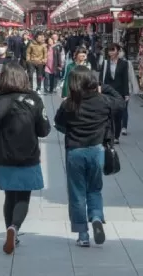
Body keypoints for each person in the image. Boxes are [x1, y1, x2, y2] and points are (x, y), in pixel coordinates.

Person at [0, 63, 51, 255]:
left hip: (3, 156)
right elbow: (44, 130)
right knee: (23, 196)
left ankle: (11, 231)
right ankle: (14, 228)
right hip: (29, 156)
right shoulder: (34, 99)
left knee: (10, 196)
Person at [54, 66, 124, 247]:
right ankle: (96, 217)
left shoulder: (69, 103)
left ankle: (83, 234)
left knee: (77, 193)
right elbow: (120, 101)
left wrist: (71, 130)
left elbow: (59, 124)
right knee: (94, 189)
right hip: (96, 150)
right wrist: (104, 87)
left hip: (75, 152)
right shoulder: (103, 101)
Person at [100, 43, 131, 141]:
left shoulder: (124, 63)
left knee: (118, 115)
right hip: (108, 92)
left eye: (113, 50)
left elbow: (125, 79)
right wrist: (99, 89)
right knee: (109, 114)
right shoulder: (105, 63)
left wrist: (126, 93)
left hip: (119, 92)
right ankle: (110, 135)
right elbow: (101, 78)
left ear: (118, 51)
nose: (111, 52)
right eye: (109, 50)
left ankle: (116, 135)